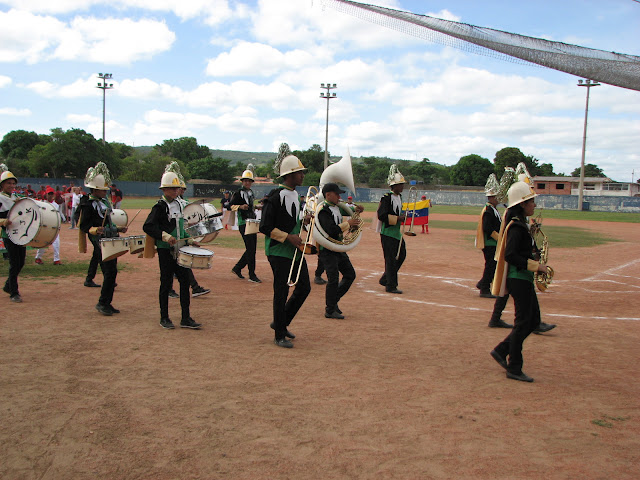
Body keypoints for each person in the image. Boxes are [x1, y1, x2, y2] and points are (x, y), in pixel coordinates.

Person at [489, 181, 554, 383]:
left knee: (532, 320)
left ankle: (502, 350)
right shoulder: (516, 226)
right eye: (531, 201)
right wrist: (537, 266)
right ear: (522, 204)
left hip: (522, 279)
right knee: (523, 322)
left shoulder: (520, 224)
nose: (534, 205)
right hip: (519, 279)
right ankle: (514, 367)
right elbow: (511, 255)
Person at [259, 147, 311, 348]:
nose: (302, 175)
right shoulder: (275, 196)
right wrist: (287, 237)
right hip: (279, 251)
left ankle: (281, 322)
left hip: (294, 250)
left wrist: (303, 219)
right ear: (289, 175)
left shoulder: (296, 196)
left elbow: (291, 220)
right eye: (299, 172)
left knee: (304, 287)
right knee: (281, 291)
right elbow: (265, 226)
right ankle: (279, 334)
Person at [143, 163, 202, 330]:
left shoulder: (181, 205)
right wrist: (165, 236)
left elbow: (181, 229)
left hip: (180, 249)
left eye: (177, 188)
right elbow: (148, 226)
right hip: (165, 250)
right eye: (172, 188)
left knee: (184, 283)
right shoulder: (159, 207)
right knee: (166, 283)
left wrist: (190, 241)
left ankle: (186, 318)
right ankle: (164, 317)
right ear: (164, 190)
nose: (175, 191)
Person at [78, 162, 127, 316]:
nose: (105, 191)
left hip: (110, 238)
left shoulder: (104, 202)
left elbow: (109, 222)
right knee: (109, 271)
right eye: (103, 189)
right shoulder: (88, 204)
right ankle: (102, 302)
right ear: (95, 189)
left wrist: (119, 229)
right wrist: (95, 229)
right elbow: (84, 226)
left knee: (112, 271)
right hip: (99, 241)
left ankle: (107, 302)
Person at [316, 183, 363, 319]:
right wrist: (348, 224)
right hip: (327, 249)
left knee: (350, 275)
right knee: (333, 278)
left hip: (337, 248)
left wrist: (357, 210)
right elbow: (330, 229)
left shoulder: (336, 207)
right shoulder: (323, 210)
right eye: (336, 194)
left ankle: (333, 301)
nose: (339, 196)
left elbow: (348, 210)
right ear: (328, 195)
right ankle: (330, 310)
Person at [376, 164, 407, 294]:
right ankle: (391, 285)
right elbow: (381, 215)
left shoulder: (400, 197)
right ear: (394, 186)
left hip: (396, 233)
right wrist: (397, 219)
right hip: (388, 232)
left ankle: (386, 278)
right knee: (390, 259)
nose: (402, 186)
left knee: (401, 255)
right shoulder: (386, 198)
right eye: (400, 184)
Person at [230, 165, 261, 283]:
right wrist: (240, 206)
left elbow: (251, 207)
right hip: (244, 223)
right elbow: (230, 206)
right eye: (245, 181)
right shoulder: (238, 193)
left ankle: (238, 268)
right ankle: (251, 274)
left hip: (252, 222)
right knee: (251, 249)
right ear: (242, 182)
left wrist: (257, 207)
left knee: (251, 249)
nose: (247, 182)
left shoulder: (250, 193)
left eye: (249, 181)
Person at [0, 166, 26, 302]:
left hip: (20, 234)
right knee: (14, 263)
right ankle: (14, 293)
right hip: (8, 235)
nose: (11, 185)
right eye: (8, 183)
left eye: (13, 183)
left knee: (21, 262)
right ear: (2, 185)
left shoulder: (16, 197)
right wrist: (3, 221)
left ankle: (7, 285)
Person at [475, 182, 501, 299]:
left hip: (493, 242)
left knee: (492, 265)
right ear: (491, 198)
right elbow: (487, 228)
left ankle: (482, 283)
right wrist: (499, 238)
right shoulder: (488, 210)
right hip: (490, 243)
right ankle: (484, 288)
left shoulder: (493, 210)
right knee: (491, 265)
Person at [35, 187, 62, 265]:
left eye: (51, 194)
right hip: (44, 226)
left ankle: (56, 259)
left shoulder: (56, 205)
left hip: (53, 226)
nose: (50, 196)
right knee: (43, 242)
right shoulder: (42, 203)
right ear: (45, 195)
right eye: (48, 194)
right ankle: (38, 257)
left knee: (56, 242)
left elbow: (58, 215)